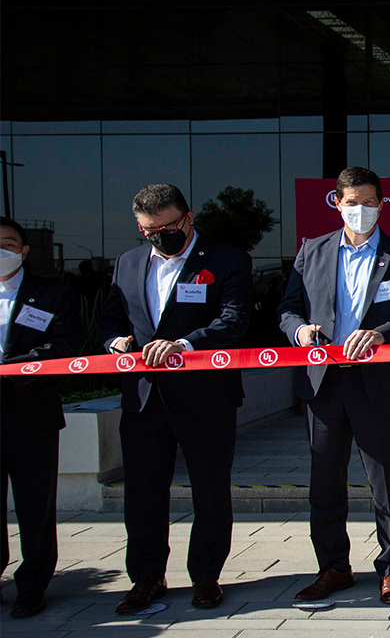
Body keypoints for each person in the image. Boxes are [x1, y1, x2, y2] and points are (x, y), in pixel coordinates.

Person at [278, 166, 390, 605]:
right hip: (324, 384)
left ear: (381, 205)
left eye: (368, 203)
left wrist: (383, 333)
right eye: (351, 202)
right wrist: (300, 331)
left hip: (378, 383)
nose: (359, 210)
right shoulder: (313, 251)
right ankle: (333, 568)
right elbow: (287, 308)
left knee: (386, 481)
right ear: (337, 203)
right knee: (325, 483)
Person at [99, 184, 252, 613]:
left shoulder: (227, 260)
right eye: (149, 230)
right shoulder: (128, 263)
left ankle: (206, 577)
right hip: (143, 399)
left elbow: (234, 321)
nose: (159, 235)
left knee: (210, 491)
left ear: (187, 218)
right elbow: (110, 317)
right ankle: (147, 578)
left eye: (167, 227)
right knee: (143, 494)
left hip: (205, 399)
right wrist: (115, 342)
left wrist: (184, 344)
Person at [0, 218, 81, 618]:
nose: (1, 249)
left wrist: (12, 369)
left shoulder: (51, 294)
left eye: (8, 243)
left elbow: (64, 345)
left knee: (35, 506)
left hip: (30, 414)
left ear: (24, 250)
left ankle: (32, 586)